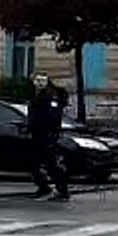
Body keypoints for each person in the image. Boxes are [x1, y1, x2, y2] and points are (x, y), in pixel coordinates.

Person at [27, 71, 70, 202]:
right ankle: (43, 187)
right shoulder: (34, 95)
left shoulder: (51, 96)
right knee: (33, 164)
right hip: (37, 135)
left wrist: (51, 132)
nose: (40, 83)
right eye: (38, 80)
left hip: (47, 135)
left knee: (52, 164)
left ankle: (62, 191)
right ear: (34, 81)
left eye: (43, 81)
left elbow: (54, 116)